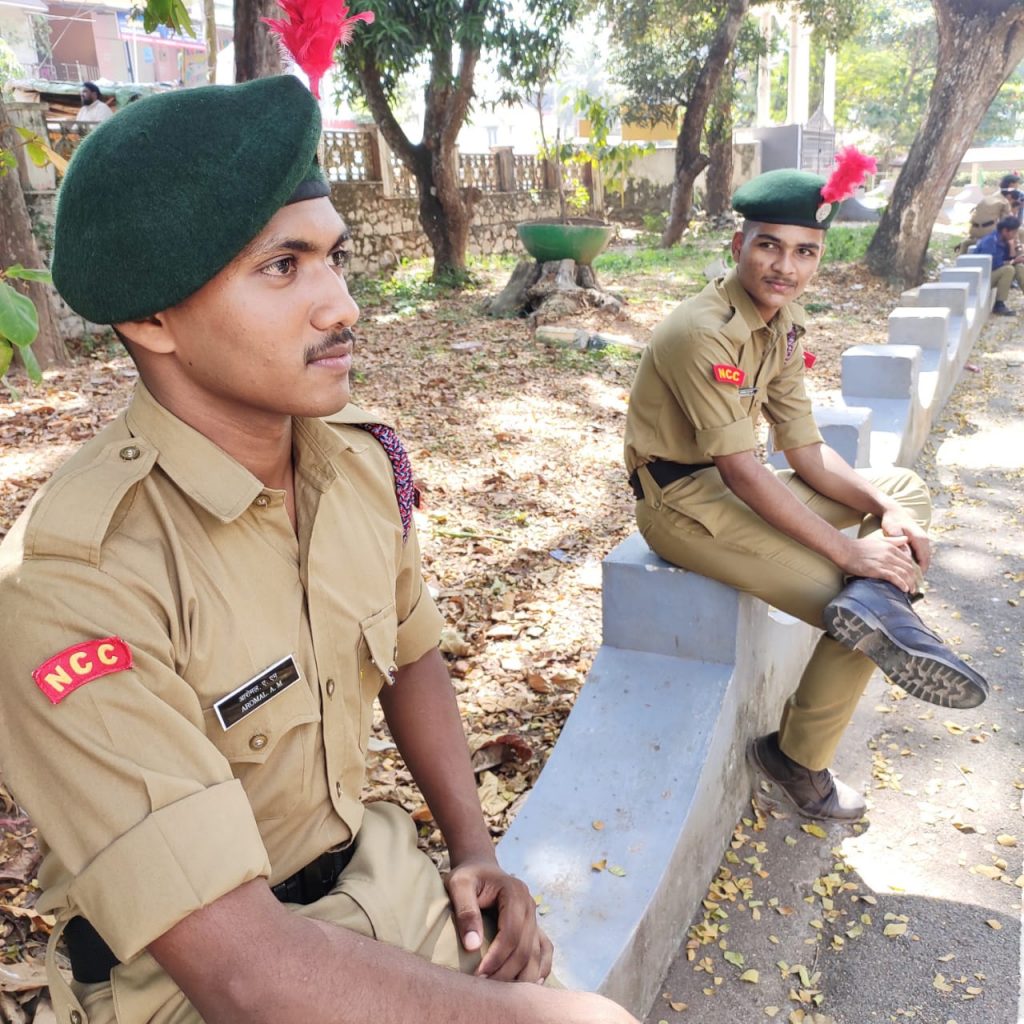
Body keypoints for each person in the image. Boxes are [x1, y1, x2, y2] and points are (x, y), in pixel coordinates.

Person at [0, 77, 638, 1024]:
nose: (341, 305)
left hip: (381, 878)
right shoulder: (73, 582)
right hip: (186, 981)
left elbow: (411, 650)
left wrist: (473, 848)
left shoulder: (355, 469)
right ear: (151, 319)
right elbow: (243, 973)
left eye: (333, 258)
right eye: (281, 267)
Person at [623, 164, 989, 824]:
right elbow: (741, 471)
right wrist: (852, 558)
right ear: (738, 247)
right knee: (862, 616)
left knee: (900, 489)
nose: (784, 266)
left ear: (819, 259)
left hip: (733, 488)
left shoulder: (785, 323)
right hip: (682, 508)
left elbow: (805, 450)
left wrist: (886, 514)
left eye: (804, 251)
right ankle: (799, 759)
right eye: (769, 245)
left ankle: (886, 598)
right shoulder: (702, 333)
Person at [973, 214, 1024, 316]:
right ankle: (999, 304)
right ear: (1005, 231)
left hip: (993, 273)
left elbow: (1009, 258)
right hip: (982, 277)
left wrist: (1012, 246)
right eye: (1013, 233)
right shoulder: (991, 241)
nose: (1014, 235)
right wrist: (1013, 261)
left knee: (1019, 267)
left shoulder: (1004, 240)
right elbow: (994, 264)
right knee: (1009, 269)